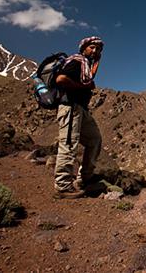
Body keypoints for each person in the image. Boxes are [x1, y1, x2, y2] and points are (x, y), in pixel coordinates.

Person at [53, 36, 104, 199]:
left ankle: (85, 178)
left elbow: (90, 78)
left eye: (98, 49)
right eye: (92, 47)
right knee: (69, 144)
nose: (94, 51)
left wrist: (97, 61)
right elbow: (60, 79)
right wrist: (82, 86)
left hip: (81, 109)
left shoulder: (86, 64)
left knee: (94, 139)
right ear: (83, 48)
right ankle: (63, 186)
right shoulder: (76, 60)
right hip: (70, 107)